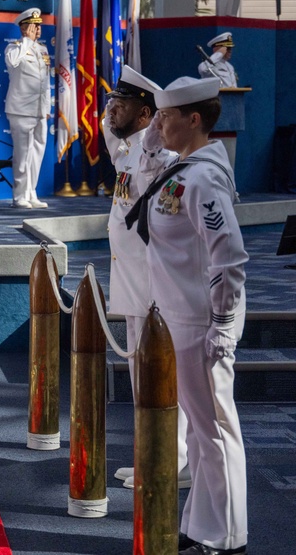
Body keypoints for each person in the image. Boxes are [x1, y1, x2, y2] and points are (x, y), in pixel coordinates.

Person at [127, 76, 248, 555]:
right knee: (200, 435)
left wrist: (222, 322)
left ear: (193, 119)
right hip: (177, 317)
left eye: (165, 117)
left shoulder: (203, 178)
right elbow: (142, 194)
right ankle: (203, 524)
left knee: (215, 430)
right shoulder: (181, 170)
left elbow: (230, 255)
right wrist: (153, 145)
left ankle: (228, 536)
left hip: (201, 322)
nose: (156, 123)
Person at [100, 66, 190, 492]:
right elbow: (113, 137)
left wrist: (152, 142)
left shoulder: (161, 159)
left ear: (146, 116)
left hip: (155, 288)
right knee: (141, 372)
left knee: (159, 372)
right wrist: (110, 116)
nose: (112, 107)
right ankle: (158, 454)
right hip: (134, 284)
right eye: (112, 100)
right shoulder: (128, 150)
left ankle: (169, 460)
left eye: (122, 103)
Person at [4, 7, 51, 209]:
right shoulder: (14, 48)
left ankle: (31, 191)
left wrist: (47, 106)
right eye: (34, 25)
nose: (38, 28)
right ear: (24, 28)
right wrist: (26, 41)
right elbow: (13, 63)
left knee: (37, 152)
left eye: (39, 25)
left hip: (39, 109)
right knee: (22, 154)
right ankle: (19, 195)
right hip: (21, 109)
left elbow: (45, 81)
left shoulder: (43, 50)